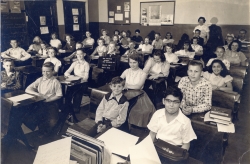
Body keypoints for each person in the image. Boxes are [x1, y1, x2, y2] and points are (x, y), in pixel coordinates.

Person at [148, 86, 197, 150]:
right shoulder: (157, 114)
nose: (171, 105)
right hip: (158, 145)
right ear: (163, 101)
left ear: (181, 103)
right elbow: (152, 134)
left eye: (175, 102)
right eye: (168, 101)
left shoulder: (185, 121)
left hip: (175, 149)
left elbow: (186, 144)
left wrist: (179, 157)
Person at [25, 62, 62, 137]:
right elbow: (27, 89)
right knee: (35, 117)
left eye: (48, 71)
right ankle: (42, 130)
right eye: (43, 71)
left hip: (51, 102)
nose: (45, 73)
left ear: (52, 71)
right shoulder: (40, 80)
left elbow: (59, 95)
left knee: (52, 121)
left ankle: (48, 132)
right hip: (40, 102)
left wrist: (48, 100)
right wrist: (38, 94)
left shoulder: (55, 82)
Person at [120, 53, 156, 128]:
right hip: (125, 92)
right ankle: (122, 124)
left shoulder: (143, 73)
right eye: (130, 62)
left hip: (138, 95)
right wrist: (121, 84)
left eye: (134, 62)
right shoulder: (127, 71)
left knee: (140, 111)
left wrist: (126, 85)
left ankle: (132, 126)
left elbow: (138, 86)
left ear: (139, 62)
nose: (132, 65)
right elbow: (119, 80)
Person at [64, 48, 90, 124]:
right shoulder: (74, 63)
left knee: (77, 93)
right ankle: (67, 110)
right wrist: (70, 76)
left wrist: (79, 79)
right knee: (67, 92)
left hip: (83, 83)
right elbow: (66, 72)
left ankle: (75, 110)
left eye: (80, 54)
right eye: (77, 54)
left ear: (84, 55)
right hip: (74, 81)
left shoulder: (86, 64)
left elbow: (86, 77)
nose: (79, 56)